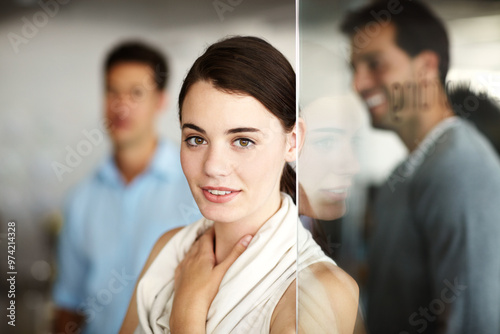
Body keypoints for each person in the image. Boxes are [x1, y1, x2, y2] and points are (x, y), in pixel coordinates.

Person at [119, 36, 359, 333]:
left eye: (243, 141)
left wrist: (188, 312)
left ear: (293, 141)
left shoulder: (321, 292)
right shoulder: (169, 248)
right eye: (196, 139)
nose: (213, 166)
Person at [341, 1, 500, 333]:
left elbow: (471, 321)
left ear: (426, 66)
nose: (359, 84)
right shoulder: (403, 174)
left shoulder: (460, 167)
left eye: (375, 64)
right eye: (354, 69)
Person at [52, 41, 200, 334]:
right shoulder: (81, 199)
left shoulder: (198, 189)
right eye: (112, 91)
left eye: (135, 93)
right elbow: (68, 303)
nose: (121, 106)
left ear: (160, 101)